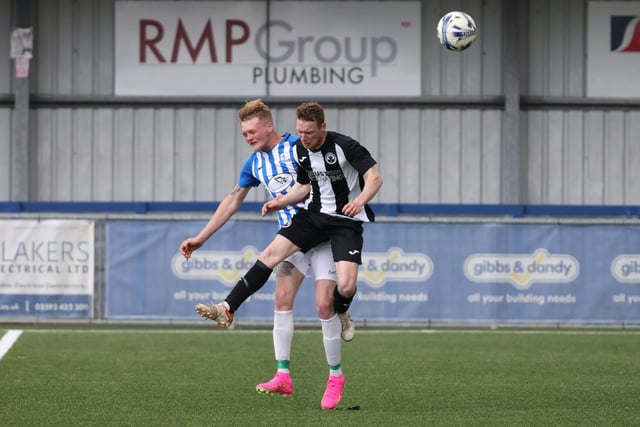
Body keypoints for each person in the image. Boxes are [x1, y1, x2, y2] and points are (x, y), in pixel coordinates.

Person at [195, 101, 383, 409]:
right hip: (302, 227)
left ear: (269, 126)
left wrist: (359, 200)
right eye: (243, 133)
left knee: (328, 302)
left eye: (251, 131)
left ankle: (336, 371)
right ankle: (232, 314)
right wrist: (203, 237)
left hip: (333, 229)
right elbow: (240, 199)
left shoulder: (307, 144)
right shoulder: (258, 162)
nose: (247, 137)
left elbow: (370, 176)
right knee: (280, 293)